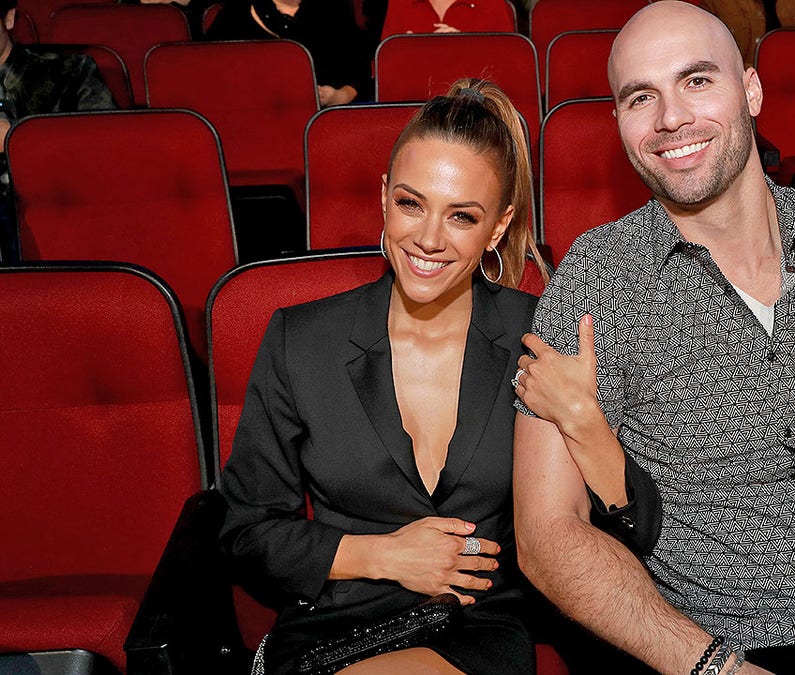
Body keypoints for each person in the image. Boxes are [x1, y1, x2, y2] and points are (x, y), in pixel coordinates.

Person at [511, 3, 795, 675]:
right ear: (618, 122)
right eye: (642, 97)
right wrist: (714, 668)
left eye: (697, 80)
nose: (671, 118)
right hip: (710, 649)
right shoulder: (596, 284)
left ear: (751, 90)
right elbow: (547, 533)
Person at [219, 78, 550, 674]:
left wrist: (584, 417)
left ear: (497, 228)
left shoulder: (537, 334)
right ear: (383, 198)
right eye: (410, 203)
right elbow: (246, 531)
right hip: (335, 621)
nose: (427, 239)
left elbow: (600, 520)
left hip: (477, 623)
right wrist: (382, 555)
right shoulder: (302, 340)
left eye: (462, 217)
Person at [0, 0, 115, 262]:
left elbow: (107, 150)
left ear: (8, 18)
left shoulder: (70, 72)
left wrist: (20, 141)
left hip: (57, 216)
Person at [206, 0, 372, 107]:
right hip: (251, 122)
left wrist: (339, 96)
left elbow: (360, 73)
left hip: (320, 122)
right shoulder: (233, 15)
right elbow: (207, 75)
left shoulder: (334, 10)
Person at [381, 0, 515, 37]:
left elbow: (507, 65)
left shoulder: (491, 4)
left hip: (474, 101)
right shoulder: (400, 3)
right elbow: (383, 68)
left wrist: (466, 47)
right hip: (416, 98)